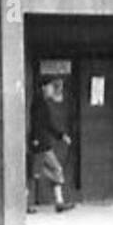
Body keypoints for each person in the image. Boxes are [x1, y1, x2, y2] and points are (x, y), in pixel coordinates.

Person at [28, 75, 75, 213]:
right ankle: (58, 202)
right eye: (50, 87)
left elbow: (48, 124)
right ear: (43, 87)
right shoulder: (39, 103)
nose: (52, 90)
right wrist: (36, 140)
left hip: (41, 144)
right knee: (53, 170)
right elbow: (39, 124)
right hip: (41, 145)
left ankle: (58, 202)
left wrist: (61, 136)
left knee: (34, 174)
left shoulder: (41, 102)